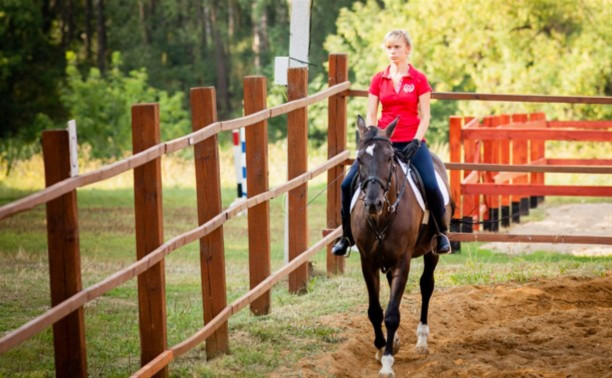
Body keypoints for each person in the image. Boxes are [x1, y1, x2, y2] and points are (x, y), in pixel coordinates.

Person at [331, 29, 451, 256]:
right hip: (382, 144)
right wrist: (371, 138)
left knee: (432, 184)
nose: (392, 52)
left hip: (411, 142)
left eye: (397, 47)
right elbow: (371, 114)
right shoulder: (378, 79)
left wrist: (416, 140)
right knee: (347, 184)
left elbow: (425, 115)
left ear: (408, 49)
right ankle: (346, 236)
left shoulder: (418, 79)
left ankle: (441, 233)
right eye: (388, 47)